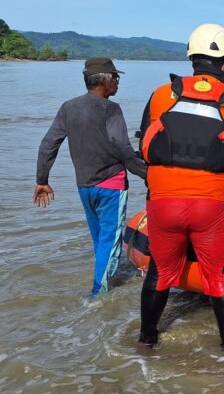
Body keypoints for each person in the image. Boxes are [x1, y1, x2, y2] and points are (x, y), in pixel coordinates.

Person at [137, 23, 224, 353]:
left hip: (163, 204)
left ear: (193, 58)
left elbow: (144, 151)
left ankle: (147, 339)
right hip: (211, 204)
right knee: (220, 277)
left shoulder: (160, 95)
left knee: (159, 273)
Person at [34, 58, 147, 295]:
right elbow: (123, 149)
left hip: (84, 186)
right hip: (111, 186)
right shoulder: (111, 109)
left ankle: (101, 283)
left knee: (100, 240)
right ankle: (98, 294)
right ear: (104, 80)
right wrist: (149, 175)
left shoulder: (69, 107)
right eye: (115, 77)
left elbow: (48, 144)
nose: (118, 82)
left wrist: (42, 180)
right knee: (111, 242)